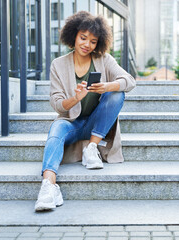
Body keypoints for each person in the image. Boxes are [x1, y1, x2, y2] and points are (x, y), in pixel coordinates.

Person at [34, 11, 136, 212]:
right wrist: (75, 98)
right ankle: (48, 186)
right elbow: (56, 103)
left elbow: (130, 81)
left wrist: (108, 86)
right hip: (70, 123)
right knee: (55, 132)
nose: (87, 44)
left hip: (95, 125)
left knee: (117, 94)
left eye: (93, 41)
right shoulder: (58, 64)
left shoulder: (104, 60)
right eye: (83, 38)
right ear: (73, 35)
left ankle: (92, 148)